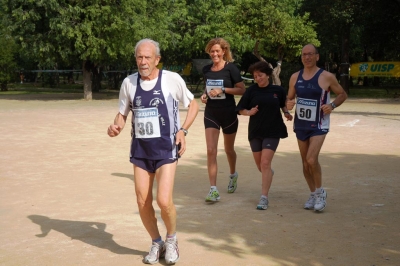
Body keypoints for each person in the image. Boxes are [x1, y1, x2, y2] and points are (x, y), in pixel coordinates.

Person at [107, 38, 199, 264]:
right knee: (142, 201)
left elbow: (193, 104)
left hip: (166, 149)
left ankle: (172, 239)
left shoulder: (171, 79)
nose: (143, 61)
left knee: (164, 200)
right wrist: (116, 126)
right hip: (140, 150)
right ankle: (156, 241)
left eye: (148, 57)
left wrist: (183, 130)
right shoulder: (129, 82)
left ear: (157, 59)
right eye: (139, 57)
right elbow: (122, 113)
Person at [287, 44, 347, 212]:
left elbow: (342, 94)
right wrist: (289, 104)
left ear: (317, 57)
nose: (307, 57)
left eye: (310, 54)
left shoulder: (327, 76)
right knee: (305, 164)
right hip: (301, 124)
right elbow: (289, 99)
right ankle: (313, 194)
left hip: (319, 124)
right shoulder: (294, 77)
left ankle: (321, 194)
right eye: (304, 55)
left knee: (311, 159)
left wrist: (332, 105)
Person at [236, 61, 293, 210]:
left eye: (260, 75)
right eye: (255, 76)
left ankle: (263, 197)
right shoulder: (251, 91)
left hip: (273, 130)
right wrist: (249, 112)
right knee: (261, 165)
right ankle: (268, 174)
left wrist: (286, 113)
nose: (258, 78)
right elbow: (240, 109)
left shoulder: (278, 90)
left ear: (267, 75)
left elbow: (282, 104)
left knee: (265, 163)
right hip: (255, 131)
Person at [200, 38, 246, 202]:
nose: (214, 54)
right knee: (211, 150)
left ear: (224, 51)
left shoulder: (231, 69)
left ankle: (233, 174)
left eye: (217, 51)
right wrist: (205, 95)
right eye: (212, 51)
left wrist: (223, 89)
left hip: (228, 114)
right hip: (211, 113)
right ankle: (213, 189)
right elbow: (207, 88)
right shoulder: (206, 69)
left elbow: (242, 90)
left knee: (228, 150)